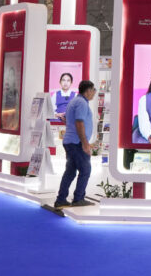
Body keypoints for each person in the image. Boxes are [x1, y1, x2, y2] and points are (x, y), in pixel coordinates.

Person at [54, 80, 97, 209]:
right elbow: (79, 122)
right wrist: (85, 143)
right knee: (85, 170)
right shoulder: (81, 103)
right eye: (93, 90)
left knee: (70, 172)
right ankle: (78, 198)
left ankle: (61, 199)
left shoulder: (74, 101)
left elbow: (69, 120)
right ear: (88, 91)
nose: (94, 93)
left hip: (70, 141)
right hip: (76, 143)